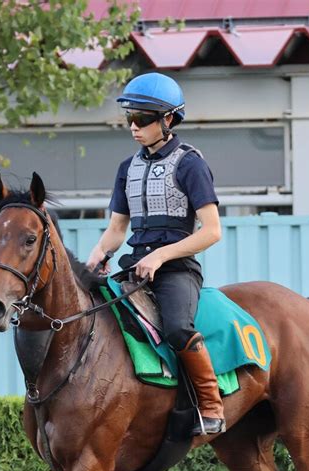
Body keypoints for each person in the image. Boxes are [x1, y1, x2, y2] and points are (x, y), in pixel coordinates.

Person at [87, 72, 225, 436]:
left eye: (142, 119)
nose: (133, 127)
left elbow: (212, 231)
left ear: (167, 119)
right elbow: (117, 229)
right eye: (129, 119)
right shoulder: (126, 169)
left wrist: (162, 256)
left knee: (178, 328)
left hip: (177, 270)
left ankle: (211, 405)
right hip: (135, 268)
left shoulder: (190, 163)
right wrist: (96, 256)